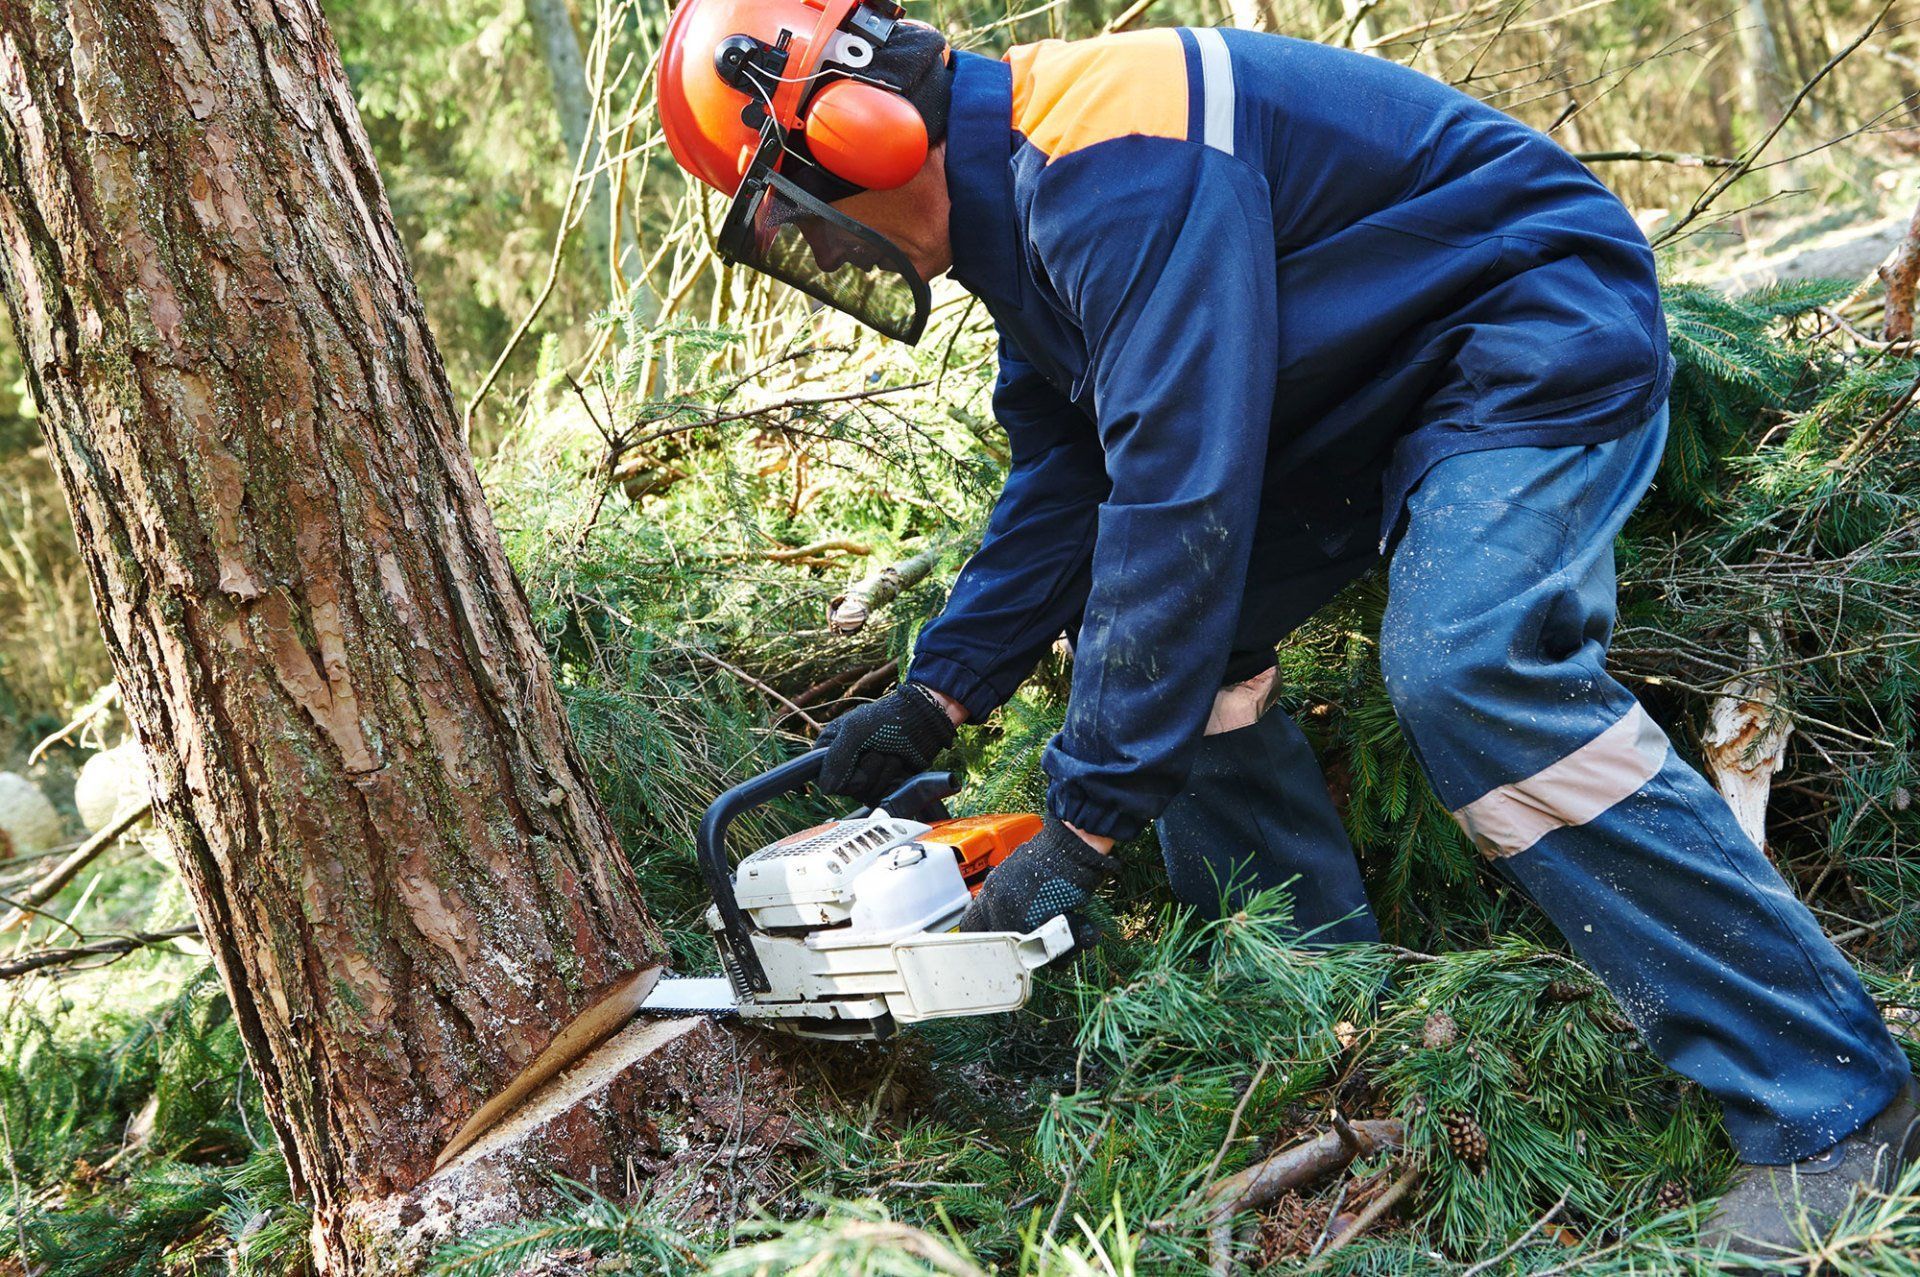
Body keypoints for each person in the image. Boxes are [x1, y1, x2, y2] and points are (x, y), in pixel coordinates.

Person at [655, 0, 1919, 1257]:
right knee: (1176, 657)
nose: (811, 246)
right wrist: (938, 694)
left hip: (1523, 328)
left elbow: (1177, 493)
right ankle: (1331, 1024)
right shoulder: (1021, 203)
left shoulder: (1110, 162)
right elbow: (1069, 476)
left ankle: (1831, 1095)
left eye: (790, 207)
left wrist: (1083, 824)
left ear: (859, 137)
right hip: (1350, 392)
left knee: (1467, 667)